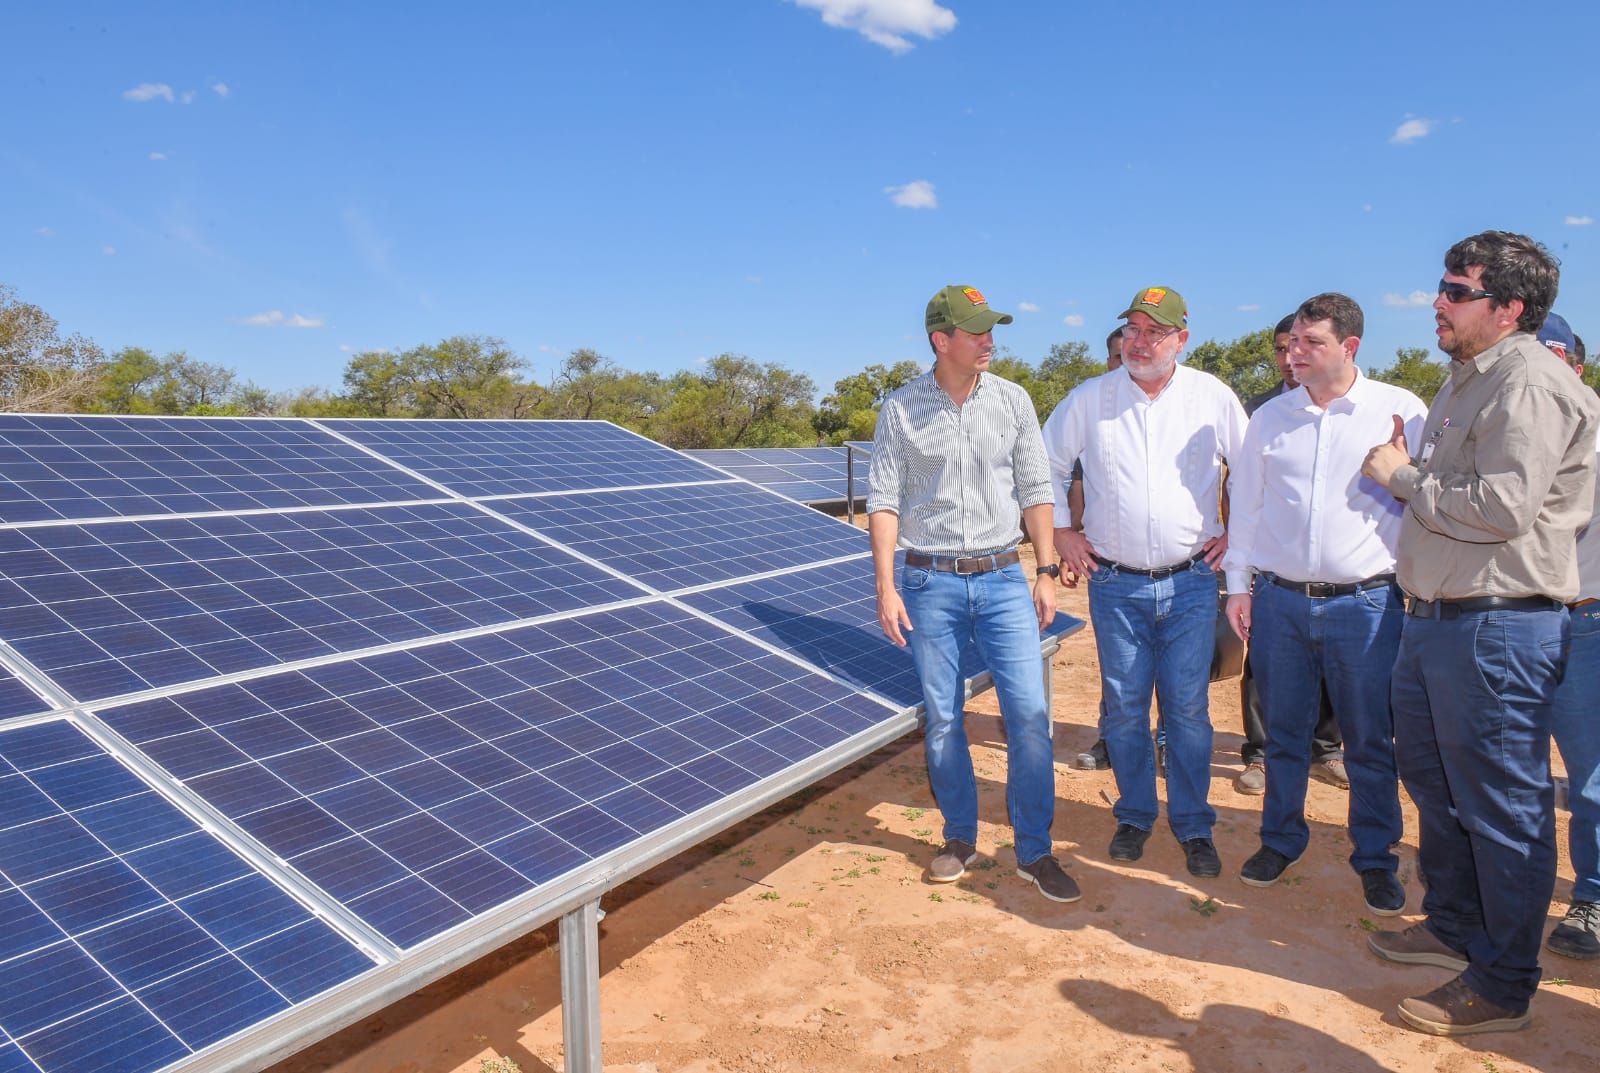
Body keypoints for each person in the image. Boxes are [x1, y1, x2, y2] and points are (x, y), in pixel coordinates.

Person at [1361, 231, 1599, 1035]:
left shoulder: (1529, 382)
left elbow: (1500, 507)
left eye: (1457, 290)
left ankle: (1502, 982)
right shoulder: (1471, 376)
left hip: (1495, 629)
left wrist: (1398, 473)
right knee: (1437, 786)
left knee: (1503, 807)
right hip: (1437, 624)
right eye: (1443, 284)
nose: (1439, 300)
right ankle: (1456, 925)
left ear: (1508, 308)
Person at [868, 284, 1079, 903]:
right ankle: (959, 835)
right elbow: (882, 501)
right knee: (943, 720)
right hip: (928, 581)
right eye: (977, 331)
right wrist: (885, 586)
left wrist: (1044, 569)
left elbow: (1037, 486)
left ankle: (1034, 850)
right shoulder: (900, 409)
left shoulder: (1013, 401)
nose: (990, 340)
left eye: (992, 330)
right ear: (942, 339)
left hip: (1003, 577)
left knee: (1030, 718)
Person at [1222, 293, 1426, 914]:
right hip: (1280, 602)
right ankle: (1280, 840)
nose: (1295, 354)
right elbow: (1249, 509)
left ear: (1350, 347)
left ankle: (1374, 858)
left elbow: (1425, 500)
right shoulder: (1271, 418)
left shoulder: (1401, 413)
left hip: (1368, 606)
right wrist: (1238, 586)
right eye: (1291, 344)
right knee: (1283, 732)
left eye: (1310, 343)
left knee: (1369, 738)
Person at [1043, 285, 1246, 878]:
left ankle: (1193, 823)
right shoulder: (1089, 399)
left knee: (1186, 710)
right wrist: (1062, 532)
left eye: (1153, 332)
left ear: (1181, 339)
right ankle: (1134, 813)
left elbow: (1253, 469)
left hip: (1190, 582)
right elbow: (1043, 467)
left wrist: (1239, 537)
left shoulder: (1212, 396)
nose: (1138, 342)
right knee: (1126, 710)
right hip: (1115, 583)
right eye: (1131, 330)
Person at [1235, 314, 1347, 795]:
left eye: (1299, 345)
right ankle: (1260, 754)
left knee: (1333, 667)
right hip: (1271, 572)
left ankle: (1326, 748)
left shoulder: (1373, 408)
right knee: (1262, 668)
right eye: (1282, 349)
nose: (1289, 358)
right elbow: (1240, 493)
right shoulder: (1258, 411)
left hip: (1342, 580)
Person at [1536, 311, 1600, 961]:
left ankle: (1595, 893)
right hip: (1507, 622)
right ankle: (1510, 887)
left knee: (1589, 778)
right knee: (1506, 771)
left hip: (1584, 621)